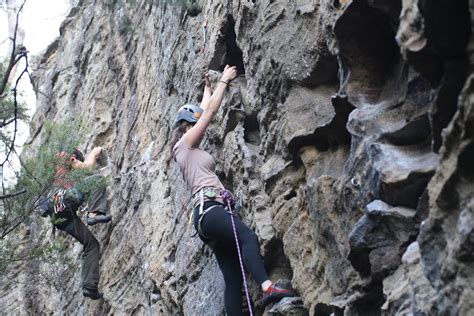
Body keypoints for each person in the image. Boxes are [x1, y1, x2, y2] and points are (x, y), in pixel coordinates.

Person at [172, 66, 296, 315]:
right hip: (210, 210)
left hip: (205, 217)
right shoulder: (184, 144)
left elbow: (203, 110)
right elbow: (209, 113)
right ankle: (268, 287)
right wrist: (224, 83)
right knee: (248, 237)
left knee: (233, 279)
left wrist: (207, 88)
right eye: (194, 123)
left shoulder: (188, 148)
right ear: (187, 126)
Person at [39, 147, 111, 300]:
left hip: (60, 217)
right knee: (97, 179)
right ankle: (94, 214)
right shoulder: (65, 156)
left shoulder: (55, 173)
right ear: (74, 157)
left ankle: (89, 286)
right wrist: (93, 154)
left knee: (91, 245)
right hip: (64, 200)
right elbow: (88, 167)